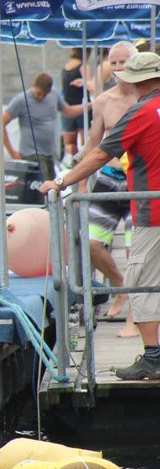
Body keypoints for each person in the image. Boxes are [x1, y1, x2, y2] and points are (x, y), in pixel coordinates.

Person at [38, 52, 160, 381]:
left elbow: (101, 154)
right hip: (150, 205)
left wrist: (62, 182)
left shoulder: (140, 112)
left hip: (153, 211)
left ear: (134, 80)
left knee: (141, 283)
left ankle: (153, 357)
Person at [76, 42, 140, 336]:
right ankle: (119, 286)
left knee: (134, 250)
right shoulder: (103, 101)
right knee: (89, 245)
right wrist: (79, 184)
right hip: (108, 177)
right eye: (113, 63)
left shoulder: (148, 97)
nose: (117, 69)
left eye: (123, 62)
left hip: (138, 180)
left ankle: (135, 315)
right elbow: (93, 145)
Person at [2, 72, 88, 181]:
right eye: (39, 93)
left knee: (53, 189)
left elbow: (68, 111)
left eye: (45, 94)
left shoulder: (53, 94)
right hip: (32, 155)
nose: (41, 96)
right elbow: (1, 122)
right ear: (34, 86)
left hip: (50, 154)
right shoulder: (21, 100)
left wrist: (90, 106)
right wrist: (12, 152)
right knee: (44, 189)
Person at [61, 48, 86, 158]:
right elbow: (89, 86)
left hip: (67, 109)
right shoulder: (84, 67)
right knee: (86, 144)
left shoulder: (65, 68)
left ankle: (75, 162)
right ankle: (82, 163)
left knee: (69, 144)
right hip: (83, 109)